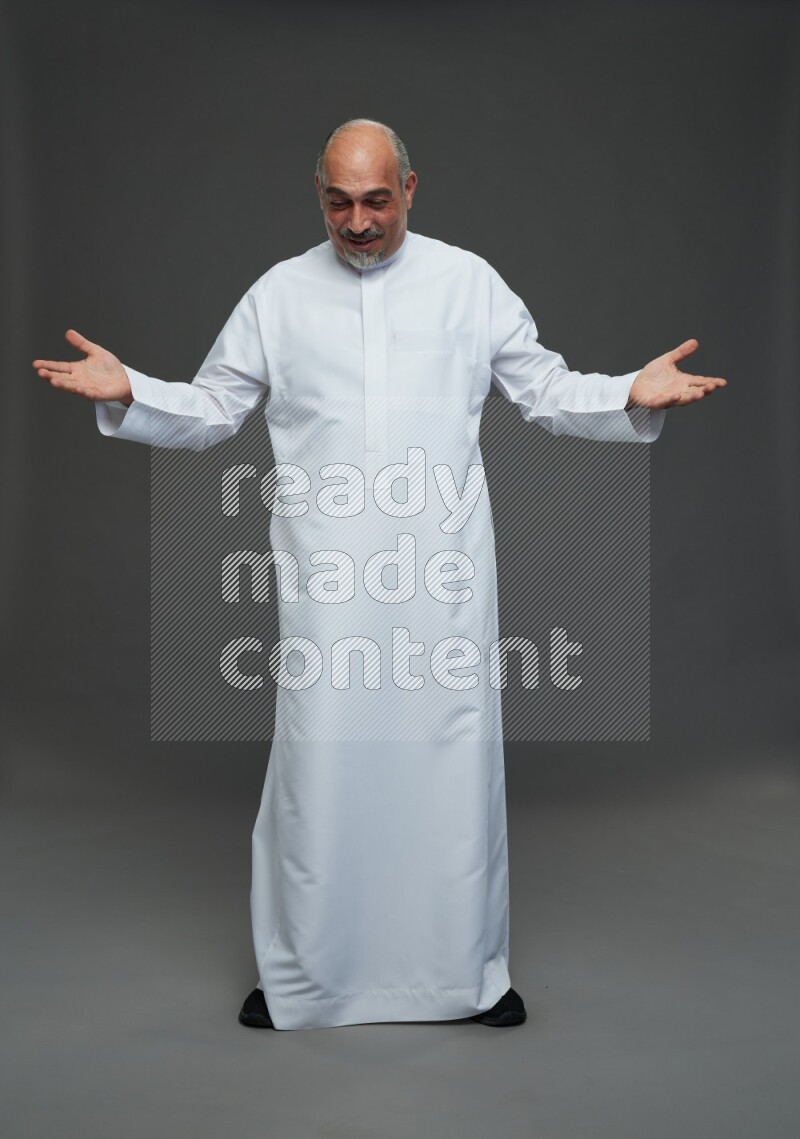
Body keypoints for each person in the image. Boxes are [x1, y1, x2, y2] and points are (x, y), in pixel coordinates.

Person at [33, 118, 727, 1032]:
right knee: (319, 771)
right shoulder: (278, 295)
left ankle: (467, 975)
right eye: (337, 201)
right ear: (316, 193)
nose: (357, 221)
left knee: (449, 769)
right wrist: (133, 391)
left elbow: (546, 390)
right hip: (324, 582)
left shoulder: (467, 283)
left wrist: (625, 394)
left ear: (410, 187)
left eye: (375, 200)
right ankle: (306, 976)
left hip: (440, 581)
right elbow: (213, 410)